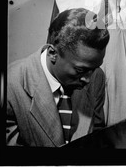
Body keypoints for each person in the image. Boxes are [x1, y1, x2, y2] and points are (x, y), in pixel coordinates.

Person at [6, 8, 109, 147]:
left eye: (95, 68)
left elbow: (97, 136)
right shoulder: (9, 85)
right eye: (80, 70)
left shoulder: (97, 76)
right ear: (53, 53)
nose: (88, 79)